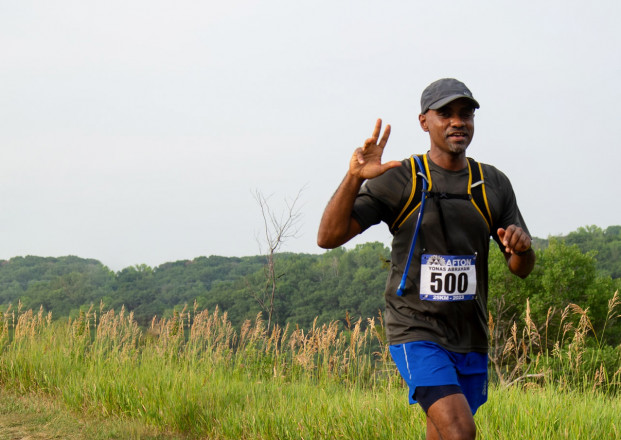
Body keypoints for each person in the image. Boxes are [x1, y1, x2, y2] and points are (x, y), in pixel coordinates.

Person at [317, 78, 535, 440]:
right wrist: (354, 177)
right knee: (461, 431)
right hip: (415, 330)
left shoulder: (492, 184)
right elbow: (329, 236)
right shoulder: (402, 179)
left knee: (443, 433)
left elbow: (521, 268)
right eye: (445, 114)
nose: (457, 122)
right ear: (424, 122)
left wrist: (522, 250)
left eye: (465, 114)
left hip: (470, 335)